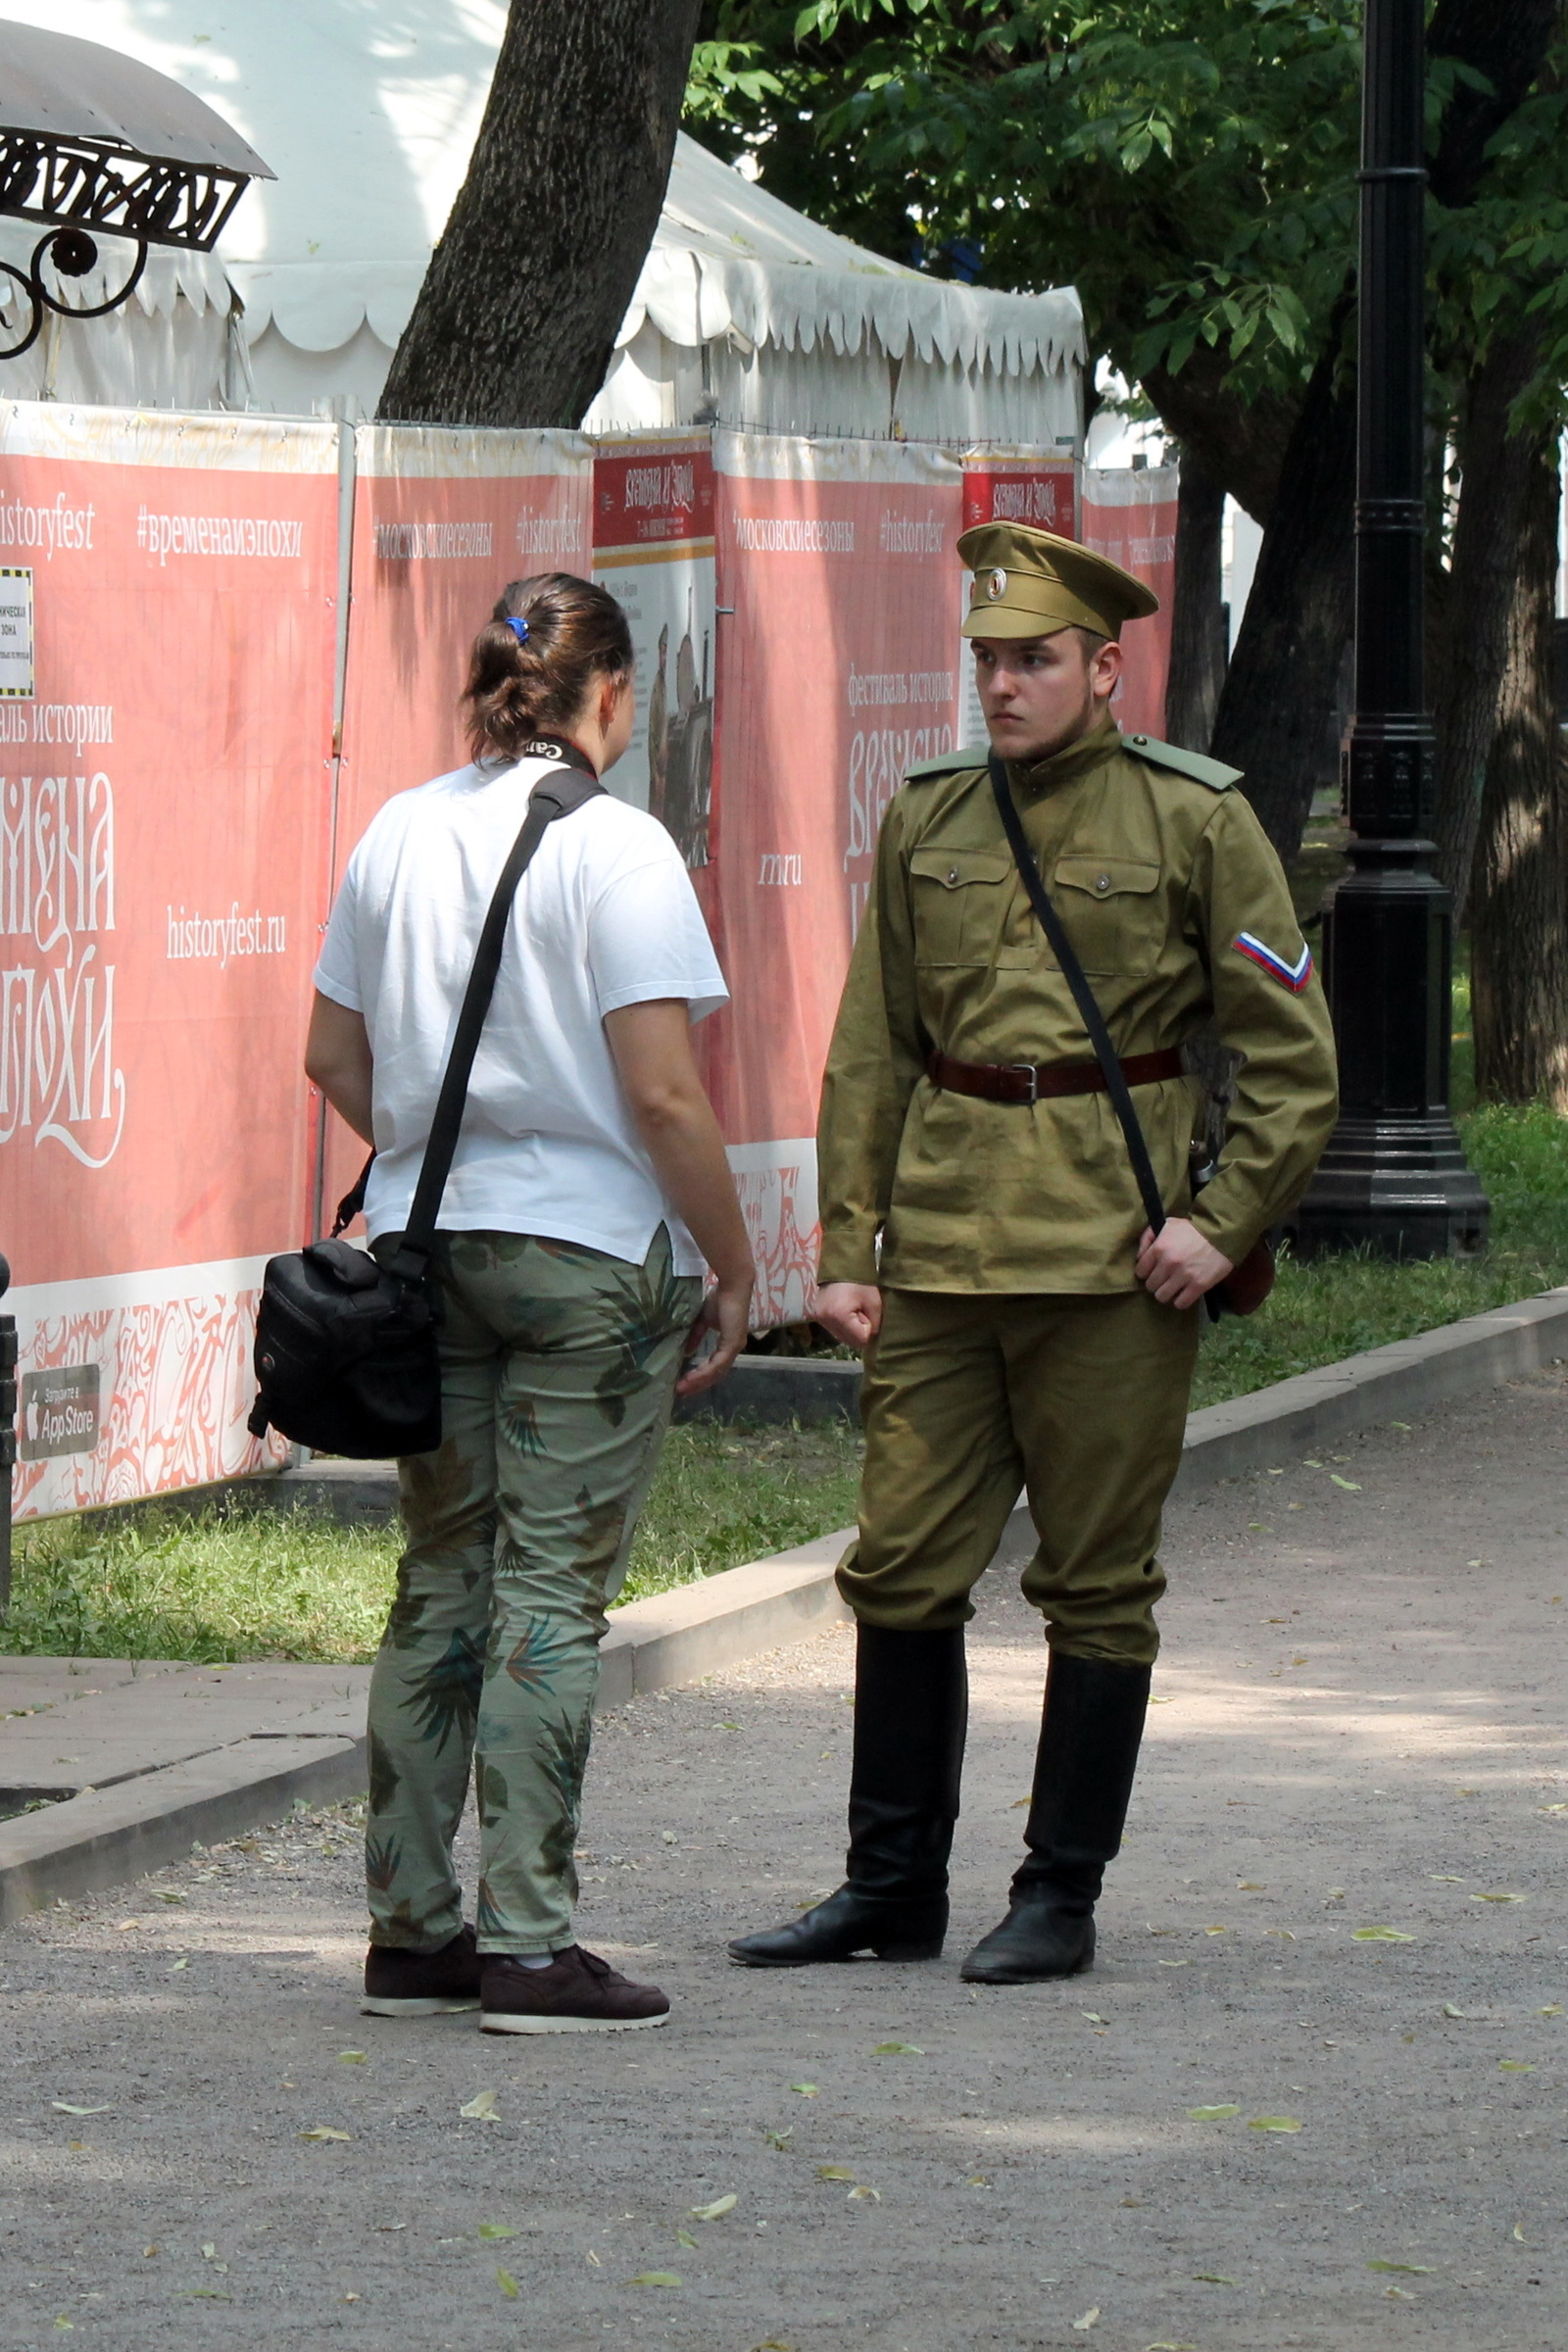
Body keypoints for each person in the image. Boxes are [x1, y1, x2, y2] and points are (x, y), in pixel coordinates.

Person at [730, 521, 1338, 1984]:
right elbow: (872, 1043)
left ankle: (1058, 1894)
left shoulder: (1197, 821)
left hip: (1109, 1264)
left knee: (1098, 1582)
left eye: (1034, 661)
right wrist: (848, 1242)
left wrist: (1220, 1223)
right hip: (942, 1254)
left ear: (1106, 666)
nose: (1003, 686)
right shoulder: (929, 817)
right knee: (901, 1567)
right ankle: (891, 1889)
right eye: (988, 661)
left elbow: (1292, 1057)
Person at [306, 572, 754, 2034]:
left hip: (430, 1252)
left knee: (441, 1580)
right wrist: (734, 1265)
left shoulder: (397, 829)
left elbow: (329, 1053)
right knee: (551, 1598)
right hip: (585, 1266)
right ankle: (530, 1947)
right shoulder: (620, 853)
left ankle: (410, 1934)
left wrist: (447, 1135)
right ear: (608, 694)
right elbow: (665, 1093)